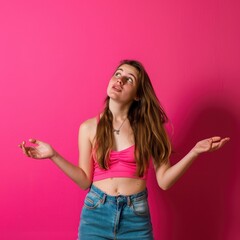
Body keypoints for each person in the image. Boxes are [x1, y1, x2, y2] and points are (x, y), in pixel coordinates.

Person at [19, 60, 230, 240]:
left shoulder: (150, 129)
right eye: (117, 74)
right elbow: (84, 180)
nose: (119, 79)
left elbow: (164, 181)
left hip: (135, 217)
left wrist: (194, 152)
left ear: (137, 95)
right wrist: (53, 155)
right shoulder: (89, 128)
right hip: (96, 213)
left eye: (129, 79)